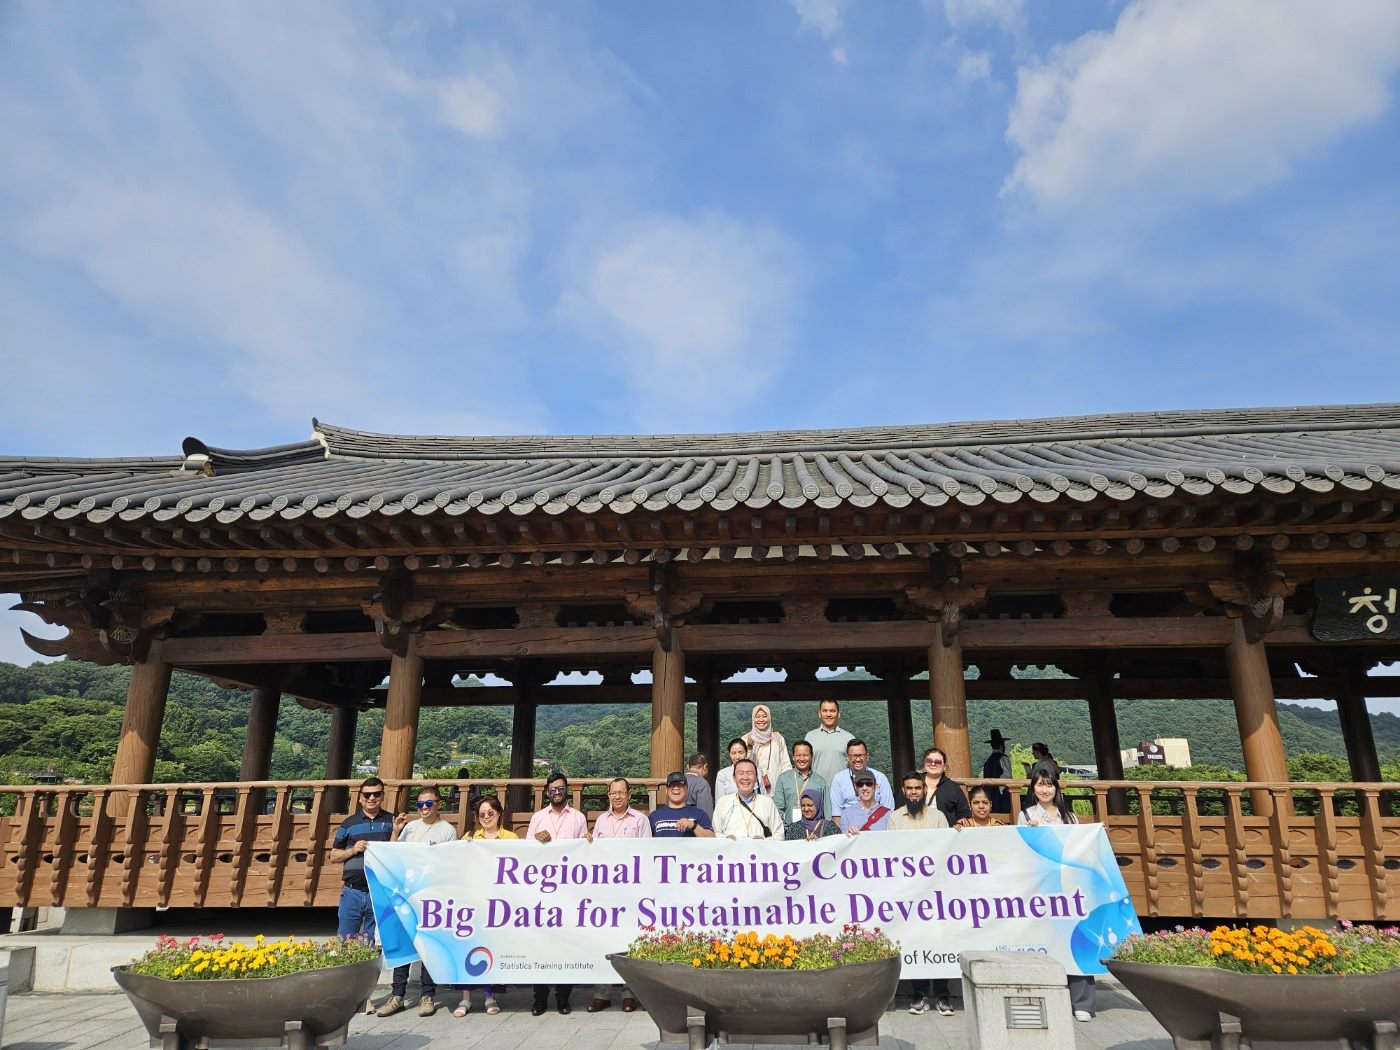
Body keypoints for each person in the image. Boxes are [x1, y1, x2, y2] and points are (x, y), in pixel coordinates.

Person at [1018, 769, 1095, 1022]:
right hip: (1041, 888)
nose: (1044, 790)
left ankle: (1082, 1001)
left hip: (1069, 887)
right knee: (1046, 940)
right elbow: (1021, 850)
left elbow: (1081, 849)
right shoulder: (1026, 816)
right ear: (1033, 788)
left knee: (1076, 938)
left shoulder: (1070, 817)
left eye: (1049, 785)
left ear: (1057, 789)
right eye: (1040, 785)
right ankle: (1047, 996)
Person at [377, 785, 455, 1018]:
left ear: (438, 804)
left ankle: (427, 995)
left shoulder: (447, 831)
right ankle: (397, 995)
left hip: (430, 895)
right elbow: (390, 856)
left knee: (428, 946)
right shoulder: (409, 828)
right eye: (420, 804)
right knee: (403, 944)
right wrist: (395, 831)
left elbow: (451, 864)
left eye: (428, 804)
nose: (423, 808)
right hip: (406, 892)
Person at [883, 773, 952, 1017]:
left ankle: (943, 995)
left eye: (917, 788)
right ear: (903, 789)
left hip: (936, 890)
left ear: (924, 790)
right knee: (916, 940)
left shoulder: (938, 817)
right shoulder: (895, 818)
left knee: (940, 939)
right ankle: (920, 994)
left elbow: (948, 848)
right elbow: (891, 852)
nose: (913, 792)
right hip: (909, 891)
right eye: (909, 788)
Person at [588, 779, 650, 1014]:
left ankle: (629, 993)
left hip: (630, 889)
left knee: (628, 941)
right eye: (613, 793)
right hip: (605, 890)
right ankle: (601, 993)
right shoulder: (601, 821)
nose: (616, 797)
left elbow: (647, 854)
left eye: (621, 793)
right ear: (608, 795)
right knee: (603, 940)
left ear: (629, 795)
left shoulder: (640, 820)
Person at [527, 772, 586, 1015]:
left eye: (561, 788)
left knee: (566, 944)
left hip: (569, 889)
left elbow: (584, 849)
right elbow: (526, 850)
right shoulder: (538, 817)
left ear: (567, 790)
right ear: (547, 792)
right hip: (542, 888)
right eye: (553, 789)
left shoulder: (578, 817)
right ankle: (539, 997)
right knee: (540, 943)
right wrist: (536, 840)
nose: (557, 792)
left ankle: (563, 996)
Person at [456, 795, 514, 1017]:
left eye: (490, 813)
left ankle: (490, 996)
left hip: (499, 903)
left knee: (491, 948)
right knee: (468, 947)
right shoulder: (469, 837)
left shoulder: (510, 839)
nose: (486, 817)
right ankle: (466, 998)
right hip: (472, 901)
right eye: (482, 814)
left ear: (499, 813)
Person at [329, 776, 403, 939]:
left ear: (382, 796)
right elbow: (333, 856)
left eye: (376, 794)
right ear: (360, 797)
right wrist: (353, 850)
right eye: (367, 795)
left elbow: (396, 854)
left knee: (375, 940)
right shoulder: (348, 823)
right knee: (345, 940)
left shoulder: (392, 821)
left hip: (380, 890)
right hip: (352, 891)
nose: (371, 798)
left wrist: (396, 832)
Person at [828, 739, 895, 825]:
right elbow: (837, 814)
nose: (858, 759)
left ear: (867, 756)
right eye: (854, 756)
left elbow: (888, 810)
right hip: (849, 831)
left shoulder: (880, 778)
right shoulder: (839, 779)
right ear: (847, 757)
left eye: (861, 755)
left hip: (876, 828)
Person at [712, 759, 783, 839]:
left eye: (749, 773)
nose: (745, 778)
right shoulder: (723, 802)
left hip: (758, 850)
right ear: (734, 778)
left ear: (756, 778)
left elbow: (779, 834)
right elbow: (714, 832)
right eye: (741, 773)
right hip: (731, 850)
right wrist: (726, 838)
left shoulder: (767, 802)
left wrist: (764, 841)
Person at [804, 698, 854, 811]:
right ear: (819, 713)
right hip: (816, 792)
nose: (828, 714)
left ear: (839, 713)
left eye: (832, 711)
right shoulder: (810, 737)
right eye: (825, 710)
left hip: (842, 793)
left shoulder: (849, 738)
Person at [772, 740, 828, 828]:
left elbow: (826, 812)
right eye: (798, 755)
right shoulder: (783, 779)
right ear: (793, 757)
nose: (802, 759)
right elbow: (777, 808)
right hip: (789, 830)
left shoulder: (820, 782)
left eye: (805, 755)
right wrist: (786, 825)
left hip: (814, 833)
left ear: (811, 757)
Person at [742, 703, 792, 794]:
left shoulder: (778, 739)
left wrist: (785, 786)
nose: (761, 720)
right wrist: (749, 748)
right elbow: (740, 765)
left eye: (764, 716)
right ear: (753, 719)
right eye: (757, 717)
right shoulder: (745, 739)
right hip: (752, 789)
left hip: (775, 790)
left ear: (769, 718)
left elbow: (786, 765)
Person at [650, 771, 716, 837]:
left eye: (680, 785)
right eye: (672, 785)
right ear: (666, 791)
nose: (676, 788)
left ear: (686, 790)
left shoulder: (700, 814)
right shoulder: (654, 816)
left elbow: (712, 838)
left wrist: (694, 825)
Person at [921, 747, 972, 827]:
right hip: (916, 831)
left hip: (946, 832)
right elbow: (900, 806)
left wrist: (960, 822)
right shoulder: (913, 783)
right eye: (929, 761)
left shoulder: (953, 787)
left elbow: (964, 812)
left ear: (944, 767)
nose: (933, 764)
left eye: (937, 762)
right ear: (924, 763)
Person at [981, 729, 1013, 814]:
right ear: (1002, 746)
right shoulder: (1003, 758)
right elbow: (1007, 776)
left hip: (989, 793)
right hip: (1001, 795)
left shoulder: (988, 761)